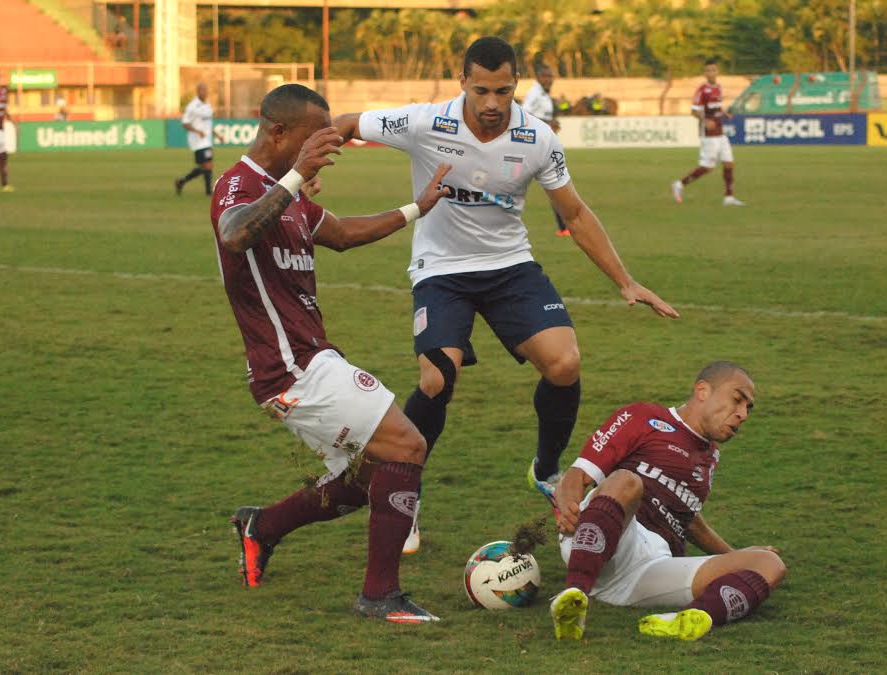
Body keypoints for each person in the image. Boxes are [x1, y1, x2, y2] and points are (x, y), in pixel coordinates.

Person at [334, 36, 679, 554]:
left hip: (510, 266)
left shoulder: (538, 138)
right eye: (481, 91)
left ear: (515, 83)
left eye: (503, 90)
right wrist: (295, 177)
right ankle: (406, 497)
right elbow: (344, 123)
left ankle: (545, 468)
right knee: (436, 376)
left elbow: (576, 213)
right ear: (462, 82)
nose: (493, 103)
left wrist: (624, 281)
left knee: (564, 364)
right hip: (442, 269)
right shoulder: (425, 122)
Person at [211, 83, 453, 623]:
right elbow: (234, 235)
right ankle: (379, 596)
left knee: (372, 479)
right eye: (313, 138)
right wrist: (297, 175)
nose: (325, 146)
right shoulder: (240, 184)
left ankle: (263, 526)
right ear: (278, 131)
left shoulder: (290, 194)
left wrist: (419, 207)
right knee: (406, 446)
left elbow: (342, 234)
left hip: (315, 357)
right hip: (289, 367)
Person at [547, 361, 786, 641]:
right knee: (627, 480)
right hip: (606, 541)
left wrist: (734, 554)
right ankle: (574, 594)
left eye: (748, 408)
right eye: (737, 400)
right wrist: (568, 508)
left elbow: (687, 518)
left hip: (649, 569)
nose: (742, 414)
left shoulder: (711, 457)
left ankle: (691, 618)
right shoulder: (643, 418)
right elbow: (576, 476)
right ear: (702, 391)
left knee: (770, 563)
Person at [672, 59, 743, 206]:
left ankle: (728, 197)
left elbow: (717, 106)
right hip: (708, 134)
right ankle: (679, 184)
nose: (711, 73)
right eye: (708, 70)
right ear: (705, 73)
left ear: (717, 72)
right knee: (708, 167)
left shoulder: (718, 87)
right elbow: (694, 111)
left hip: (720, 132)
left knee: (729, 163)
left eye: (713, 70)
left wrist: (725, 114)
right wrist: (706, 121)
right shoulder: (702, 90)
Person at [521, 65, 569, 237]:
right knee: (555, 184)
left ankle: (564, 227)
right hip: (532, 146)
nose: (549, 80)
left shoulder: (544, 94)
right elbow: (524, 114)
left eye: (551, 76)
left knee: (555, 184)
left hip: (543, 144)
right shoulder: (534, 93)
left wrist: (551, 123)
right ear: (539, 78)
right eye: (545, 76)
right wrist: (547, 124)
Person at [175, 83, 221, 196]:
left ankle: (181, 181)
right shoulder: (192, 106)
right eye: (203, 90)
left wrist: (217, 134)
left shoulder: (207, 105)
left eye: (206, 90)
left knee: (206, 166)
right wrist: (197, 131)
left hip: (207, 140)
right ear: (198, 91)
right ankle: (208, 192)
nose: (205, 93)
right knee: (207, 166)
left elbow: (208, 124)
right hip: (198, 142)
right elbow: (185, 124)